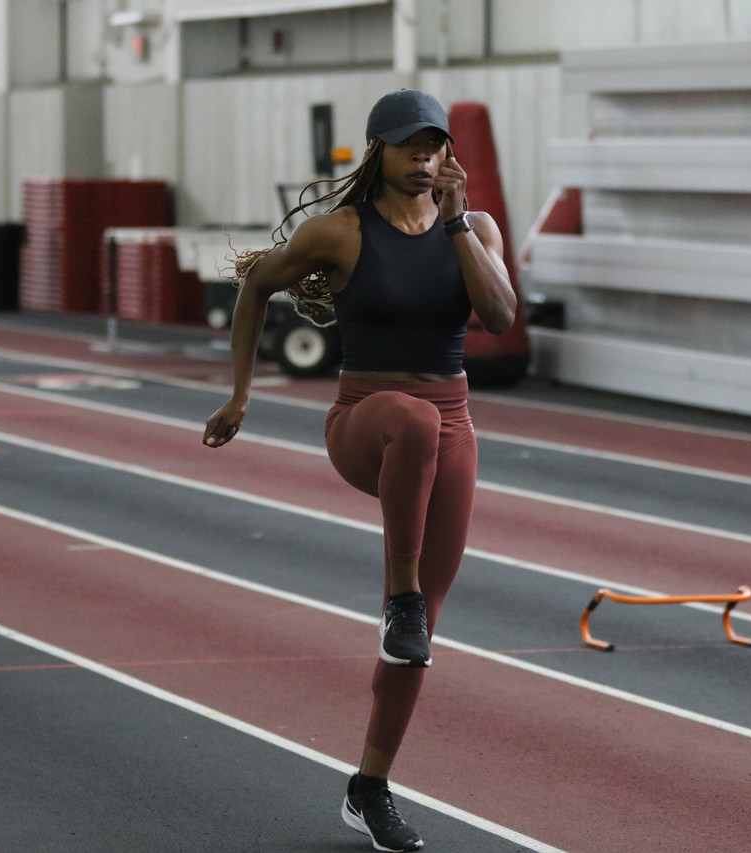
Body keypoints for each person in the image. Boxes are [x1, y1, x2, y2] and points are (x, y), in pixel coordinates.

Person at [202, 88, 516, 853]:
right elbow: (255, 285)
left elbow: (502, 317)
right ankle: (398, 594)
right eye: (411, 146)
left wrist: (455, 228)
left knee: (416, 642)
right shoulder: (338, 233)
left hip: (453, 425)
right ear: (378, 150)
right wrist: (241, 394)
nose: (426, 159)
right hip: (365, 419)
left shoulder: (471, 227)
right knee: (409, 419)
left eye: (436, 146)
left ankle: (369, 787)